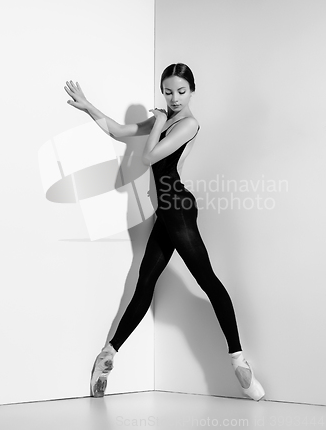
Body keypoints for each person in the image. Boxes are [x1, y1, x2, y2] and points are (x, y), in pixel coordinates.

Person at [64, 63, 265, 402]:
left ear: (192, 91)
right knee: (145, 283)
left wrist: (156, 123)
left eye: (181, 91)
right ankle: (108, 353)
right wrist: (88, 106)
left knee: (208, 280)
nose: (173, 98)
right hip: (167, 212)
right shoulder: (165, 119)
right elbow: (117, 131)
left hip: (179, 208)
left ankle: (238, 360)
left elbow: (149, 155)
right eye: (168, 91)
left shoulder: (188, 124)